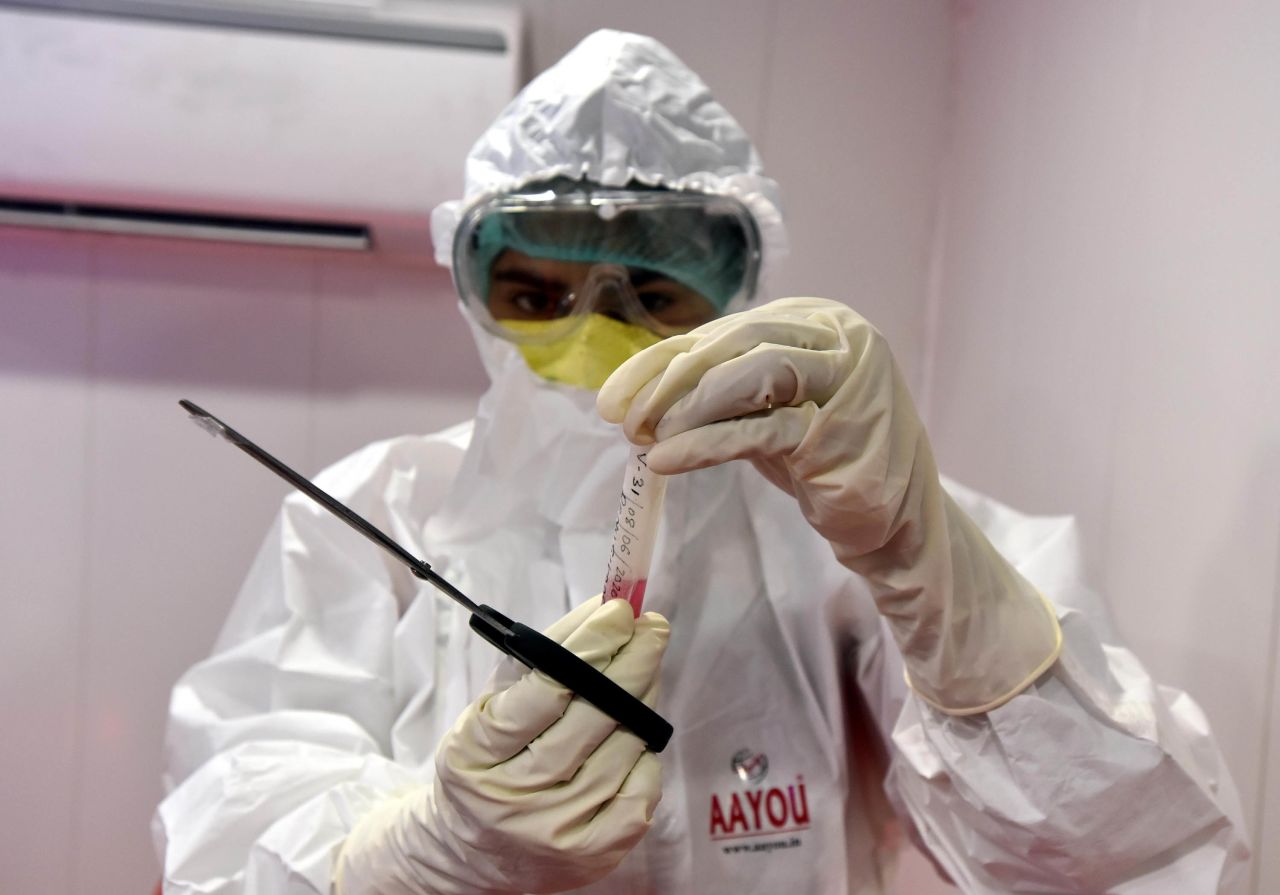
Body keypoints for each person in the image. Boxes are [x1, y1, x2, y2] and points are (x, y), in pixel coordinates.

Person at [154, 29, 1250, 895]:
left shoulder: (851, 529)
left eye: (648, 293)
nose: (591, 338)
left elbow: (1113, 863)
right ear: (474, 290)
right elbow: (223, 845)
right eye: (535, 296)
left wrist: (931, 578)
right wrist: (425, 854)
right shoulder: (371, 519)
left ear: (737, 291)